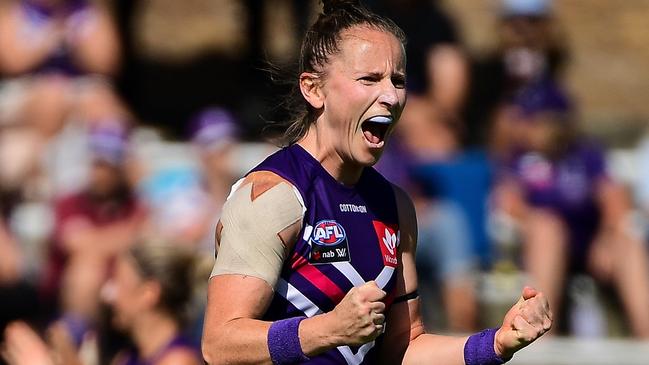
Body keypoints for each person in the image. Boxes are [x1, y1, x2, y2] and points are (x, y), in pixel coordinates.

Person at [202, 1, 552, 364]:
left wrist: (494, 344)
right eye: (369, 79)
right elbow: (220, 343)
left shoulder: (394, 206)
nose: (391, 96)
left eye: (398, 81)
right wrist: (328, 330)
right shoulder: (273, 195)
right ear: (313, 89)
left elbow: (404, 347)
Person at [494, 79, 649, 338]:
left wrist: (607, 237)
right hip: (540, 244)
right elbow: (509, 202)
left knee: (627, 243)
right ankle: (540, 339)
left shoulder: (585, 154)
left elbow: (614, 200)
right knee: (548, 229)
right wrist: (538, 219)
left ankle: (646, 337)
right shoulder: (517, 158)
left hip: (587, 243)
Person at [2, 242, 205, 365]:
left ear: (148, 294)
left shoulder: (178, 361)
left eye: (117, 282)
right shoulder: (128, 357)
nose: (107, 294)